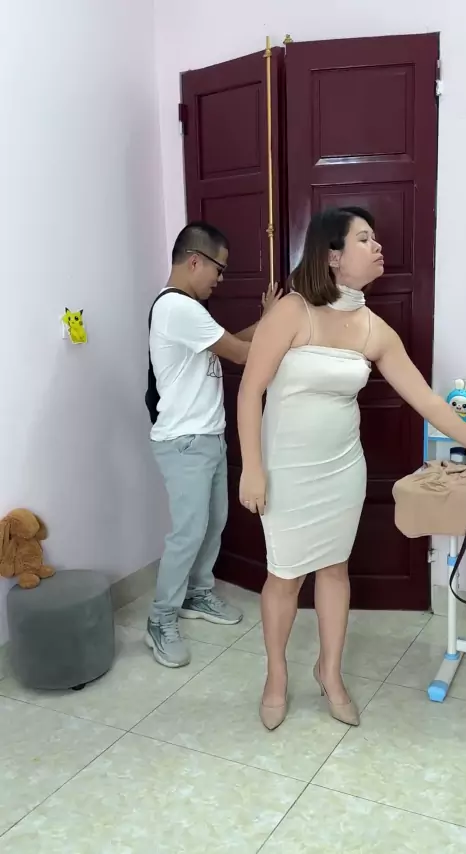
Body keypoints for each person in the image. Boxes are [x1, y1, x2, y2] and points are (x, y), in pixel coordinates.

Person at [237, 206, 466, 730]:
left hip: (342, 470)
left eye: (375, 238)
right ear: (332, 255)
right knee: (284, 575)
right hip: (285, 470)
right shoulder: (292, 312)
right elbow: (250, 391)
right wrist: (251, 468)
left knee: (333, 569)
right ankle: (276, 676)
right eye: (364, 239)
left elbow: (429, 403)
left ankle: (330, 672)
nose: (377, 247)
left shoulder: (374, 328)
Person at [147, 221, 281, 668]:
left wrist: (267, 321)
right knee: (188, 532)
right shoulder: (177, 308)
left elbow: (231, 343)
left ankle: (198, 594)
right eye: (218, 269)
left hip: (207, 437)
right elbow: (242, 354)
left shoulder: (189, 310)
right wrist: (282, 327)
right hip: (185, 442)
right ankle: (160, 618)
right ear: (194, 261)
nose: (219, 279)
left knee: (213, 522)